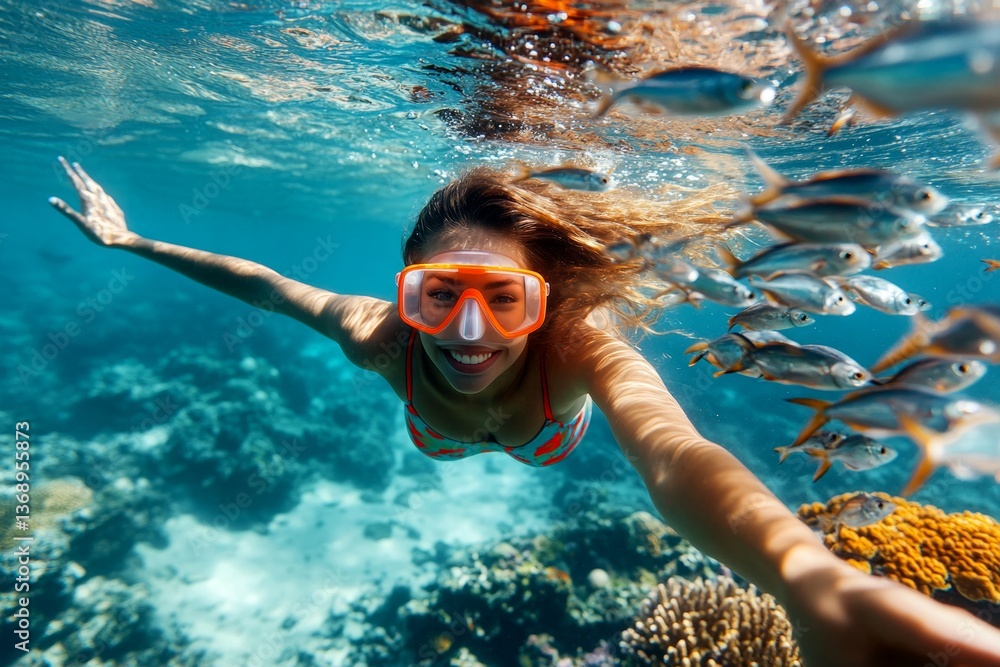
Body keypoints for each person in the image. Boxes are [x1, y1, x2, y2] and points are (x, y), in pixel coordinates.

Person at [51, 156, 1000, 667]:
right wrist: (131, 242)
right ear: (406, 292)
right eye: (439, 296)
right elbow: (264, 283)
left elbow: (672, 452)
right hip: (448, 439)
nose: (468, 334)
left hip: (548, 435)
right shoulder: (379, 334)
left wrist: (809, 575)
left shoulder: (579, 349)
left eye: (505, 298)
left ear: (546, 307)